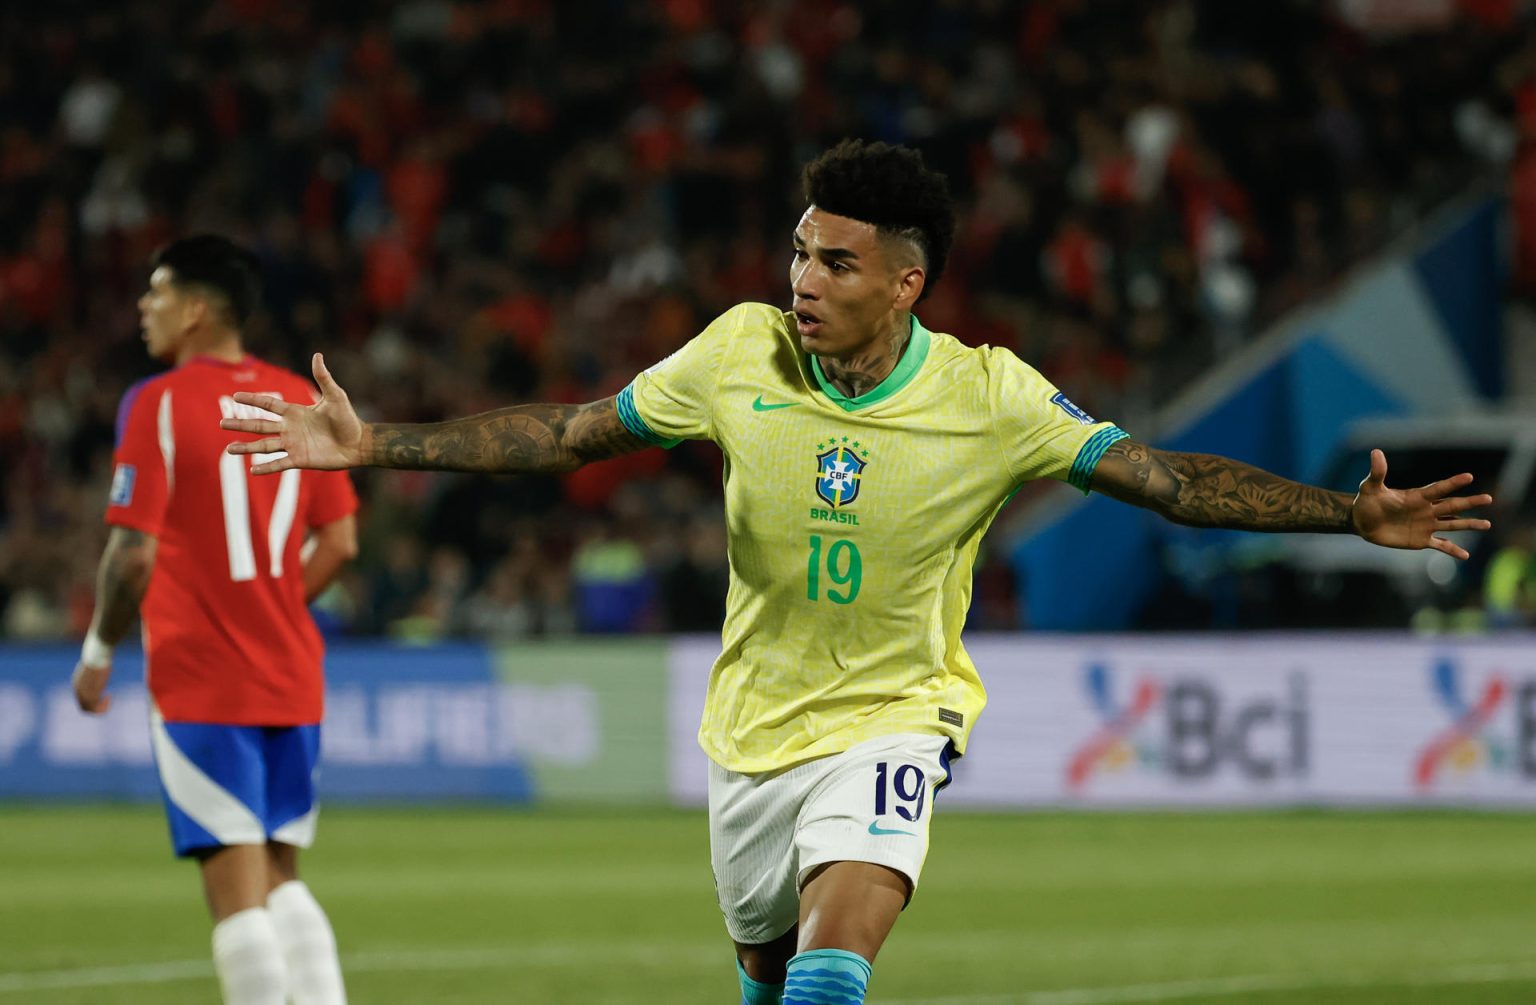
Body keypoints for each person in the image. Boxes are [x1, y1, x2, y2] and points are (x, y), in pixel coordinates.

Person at [220, 141, 1492, 1005]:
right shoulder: (736, 354)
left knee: (834, 976)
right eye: (797, 254)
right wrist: (376, 443)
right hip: (751, 732)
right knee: (770, 976)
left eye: (834, 262)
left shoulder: (989, 396)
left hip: (894, 715)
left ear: (905, 281)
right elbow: (568, 435)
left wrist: (1344, 514)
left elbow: (1162, 479)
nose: (803, 282)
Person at [74, 235, 359, 1005]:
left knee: (236, 897)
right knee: (279, 874)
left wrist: (98, 649)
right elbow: (340, 540)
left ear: (196, 309)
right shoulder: (291, 399)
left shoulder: (156, 403)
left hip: (203, 677)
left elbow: (131, 554)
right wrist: (269, 608)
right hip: (293, 671)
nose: (144, 308)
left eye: (157, 294)